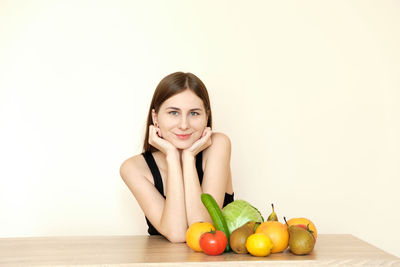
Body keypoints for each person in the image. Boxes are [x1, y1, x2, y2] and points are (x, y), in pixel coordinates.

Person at [120, 72, 234, 243]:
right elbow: (177, 234)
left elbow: (202, 228)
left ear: (206, 117)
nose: (184, 125)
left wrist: (188, 158)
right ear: (155, 118)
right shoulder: (133, 169)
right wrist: (172, 157)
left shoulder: (218, 145)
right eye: (173, 113)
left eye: (194, 113)